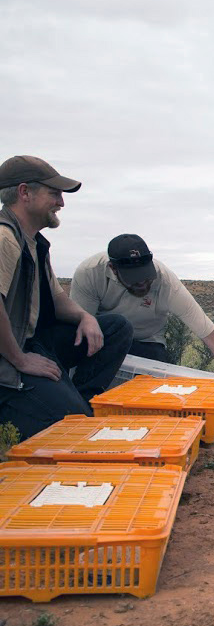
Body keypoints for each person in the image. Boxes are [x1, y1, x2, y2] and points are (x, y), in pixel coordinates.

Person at [0, 155, 133, 439]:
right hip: (7, 360)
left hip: (32, 342)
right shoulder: (4, 239)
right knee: (69, 429)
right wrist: (20, 359)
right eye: (54, 193)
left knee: (116, 327)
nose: (61, 202)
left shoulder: (32, 242)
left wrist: (85, 317)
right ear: (24, 192)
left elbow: (57, 297)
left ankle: (79, 406)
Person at [69, 233, 214, 384]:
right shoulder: (89, 273)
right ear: (113, 269)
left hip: (148, 342)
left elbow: (208, 332)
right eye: (134, 279)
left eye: (146, 276)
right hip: (105, 341)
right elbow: (78, 332)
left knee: (152, 392)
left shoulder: (165, 280)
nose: (143, 283)